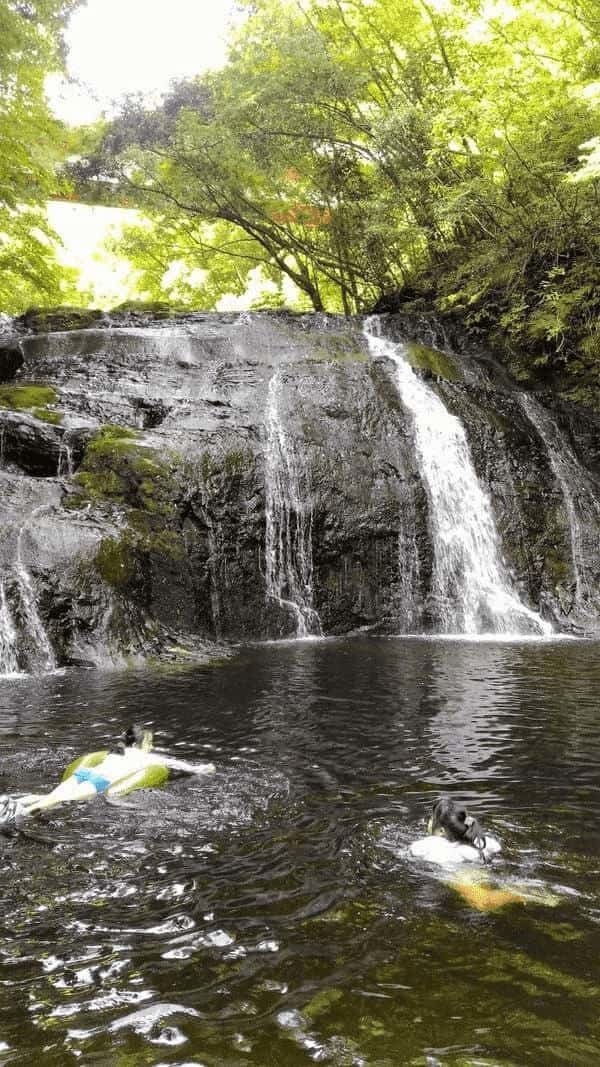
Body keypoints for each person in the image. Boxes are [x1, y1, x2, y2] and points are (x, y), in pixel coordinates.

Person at [0, 725, 216, 835]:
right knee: (58, 801)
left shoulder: (115, 751)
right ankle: (17, 815)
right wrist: (201, 769)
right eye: (150, 741)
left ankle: (14, 802)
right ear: (143, 743)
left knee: (52, 795)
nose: (151, 745)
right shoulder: (146, 756)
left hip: (84, 774)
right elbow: (178, 766)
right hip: (99, 783)